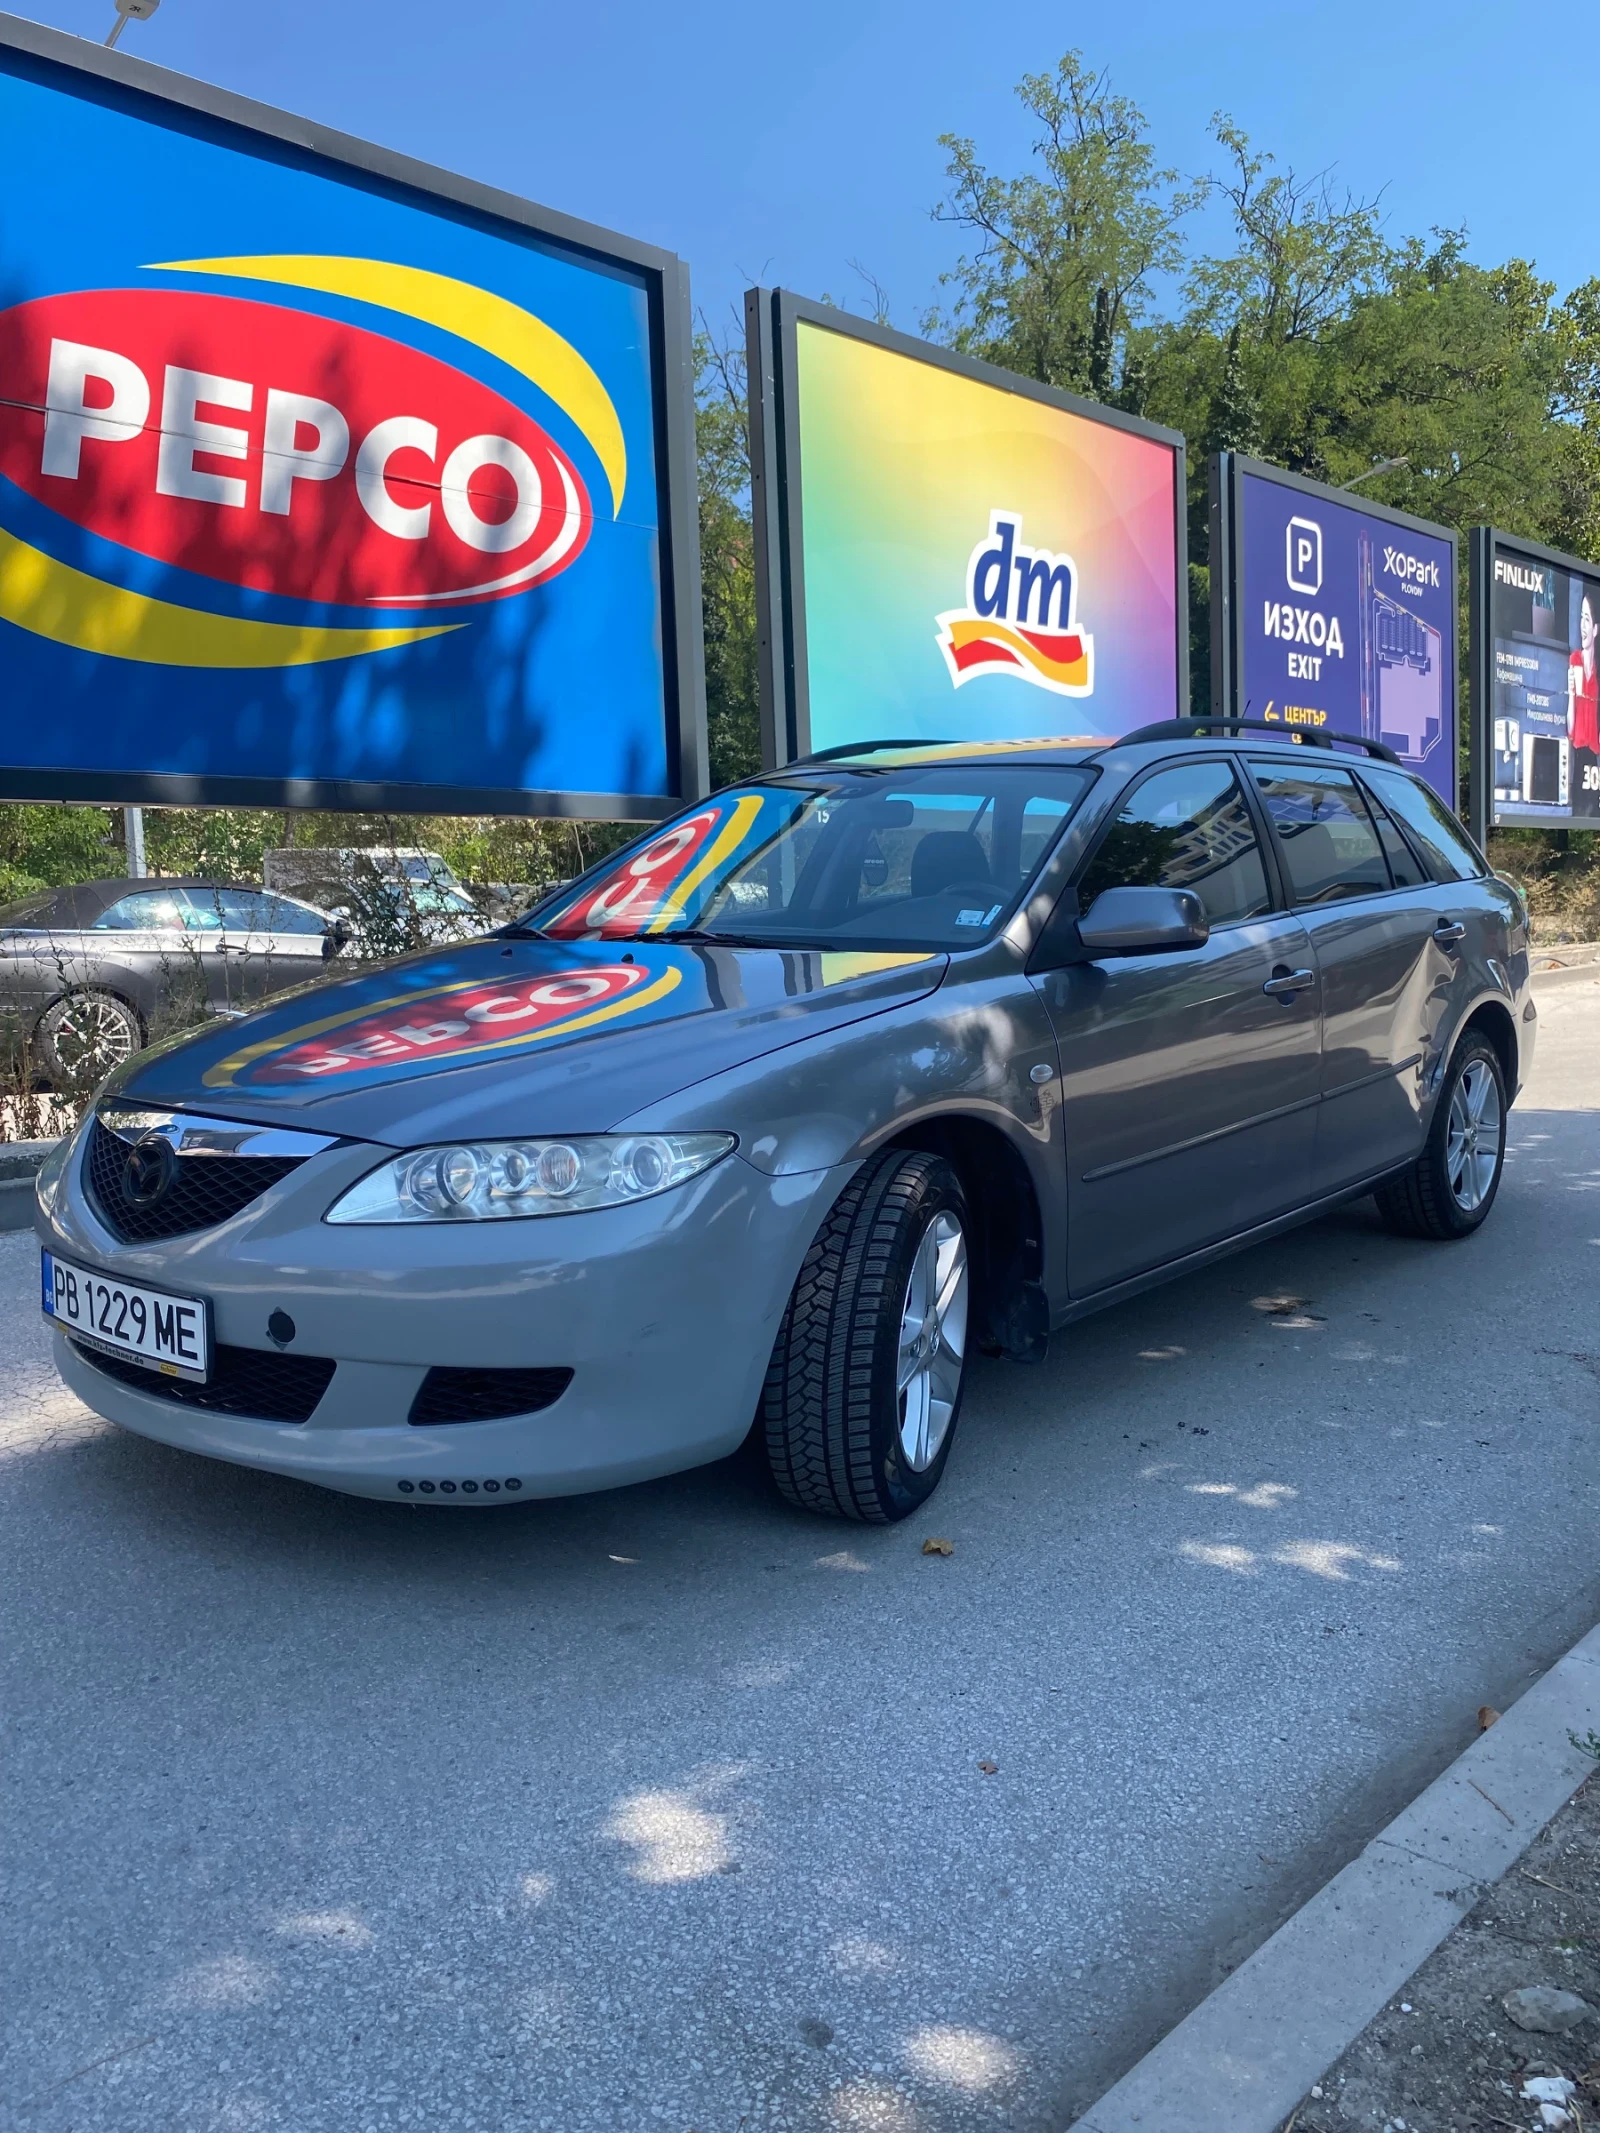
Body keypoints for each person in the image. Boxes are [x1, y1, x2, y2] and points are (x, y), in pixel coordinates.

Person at [1567, 584, 1600, 815]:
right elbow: (1570, 727)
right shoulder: (1575, 660)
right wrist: (1571, 694)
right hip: (1579, 755)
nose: (1582, 625)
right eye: (1581, 618)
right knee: (1579, 811)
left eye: (1587, 619)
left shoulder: (1598, 672)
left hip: (1596, 758)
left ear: (1596, 629)